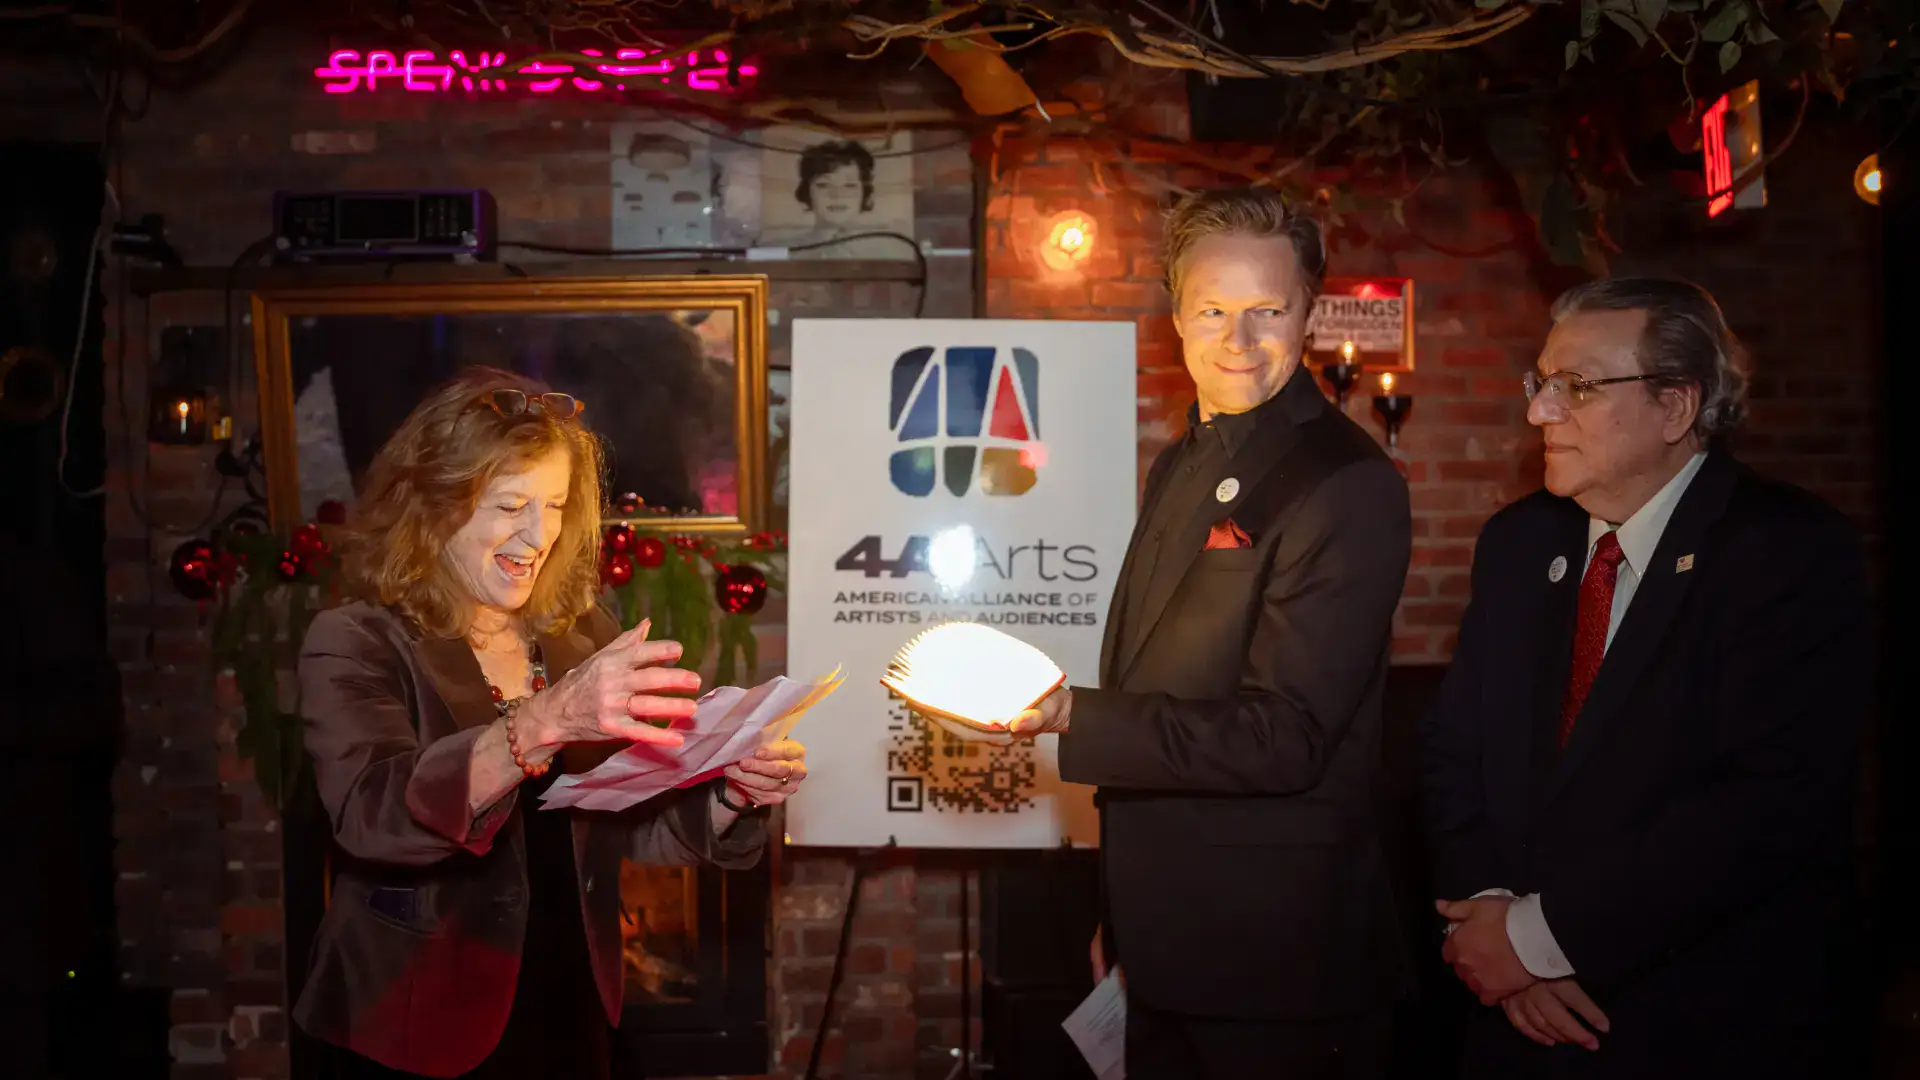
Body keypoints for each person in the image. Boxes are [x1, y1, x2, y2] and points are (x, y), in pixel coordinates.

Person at [964, 187, 1416, 1078]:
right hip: (1165, 946)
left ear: (1312, 315)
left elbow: (1285, 740)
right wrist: (1128, 923)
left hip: (1276, 966)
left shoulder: (1347, 482)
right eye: (1212, 309)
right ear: (1175, 315)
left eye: (1267, 311)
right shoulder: (1182, 457)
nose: (1237, 341)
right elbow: (1158, 684)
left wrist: (1065, 716)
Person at [294, 367, 809, 1079]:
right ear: (438, 504)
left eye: (557, 505)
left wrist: (732, 794)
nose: (538, 535)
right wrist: (541, 721)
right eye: (511, 505)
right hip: (411, 1025)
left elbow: (629, 818)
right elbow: (372, 816)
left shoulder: (578, 635)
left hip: (570, 1006)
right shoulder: (356, 639)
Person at [1419, 278, 1871, 1077]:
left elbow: (1767, 807)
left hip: (1696, 1022)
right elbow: (1456, 756)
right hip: (1507, 1016)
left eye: (1578, 387)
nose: (1539, 413)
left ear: (1675, 407)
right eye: (1542, 384)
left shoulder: (1787, 553)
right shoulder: (1520, 542)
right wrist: (1490, 928)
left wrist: (1537, 941)